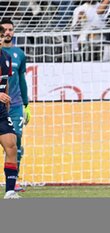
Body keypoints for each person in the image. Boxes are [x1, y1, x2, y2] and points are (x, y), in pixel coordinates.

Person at [1, 19, 30, 193]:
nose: (7, 33)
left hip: (15, 104)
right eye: (4, 30)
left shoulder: (19, 53)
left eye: (10, 29)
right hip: (0, 105)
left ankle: (13, 183)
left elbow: (21, 80)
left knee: (15, 141)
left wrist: (26, 105)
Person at [0, 25, 20, 199]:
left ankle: (10, 191)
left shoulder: (6, 58)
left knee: (12, 146)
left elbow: (5, 83)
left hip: (0, 112)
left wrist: (5, 100)